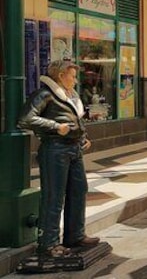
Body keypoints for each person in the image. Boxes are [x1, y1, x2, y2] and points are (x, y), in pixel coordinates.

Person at [18, 60, 99, 257]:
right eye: (72, 75)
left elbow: (74, 121)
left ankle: (75, 235)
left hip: (74, 150)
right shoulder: (44, 95)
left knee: (78, 191)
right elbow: (26, 119)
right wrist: (55, 127)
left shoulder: (70, 96)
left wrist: (82, 138)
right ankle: (48, 243)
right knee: (54, 196)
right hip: (55, 150)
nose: (76, 80)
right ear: (61, 76)